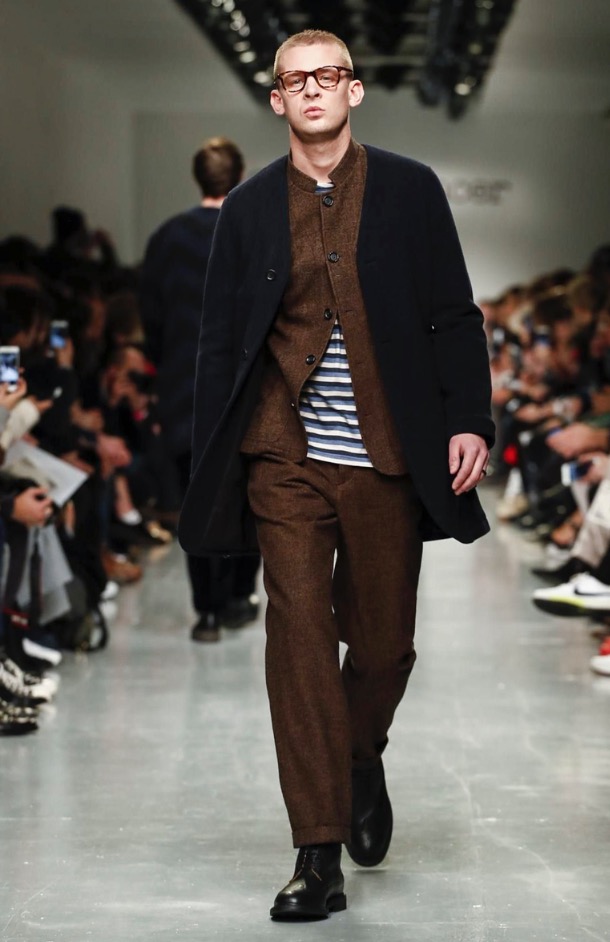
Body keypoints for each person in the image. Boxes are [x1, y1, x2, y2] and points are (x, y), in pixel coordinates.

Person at [179, 30, 494, 919]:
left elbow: (452, 314)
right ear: (277, 100)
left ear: (354, 90)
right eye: (296, 79)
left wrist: (470, 418)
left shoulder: (410, 189)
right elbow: (218, 344)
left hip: (389, 456)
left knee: (384, 645)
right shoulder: (247, 209)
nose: (313, 89)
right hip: (284, 457)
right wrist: (214, 460)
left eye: (329, 75)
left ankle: (360, 755)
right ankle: (316, 852)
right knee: (299, 641)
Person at [141, 137, 260, 642]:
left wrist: (168, 365)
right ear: (240, 175)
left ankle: (206, 611)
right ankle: (237, 597)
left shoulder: (166, 238)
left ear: (198, 177)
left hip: (183, 386)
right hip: (245, 384)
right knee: (248, 491)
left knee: (197, 495)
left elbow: (151, 319)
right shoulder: (254, 230)